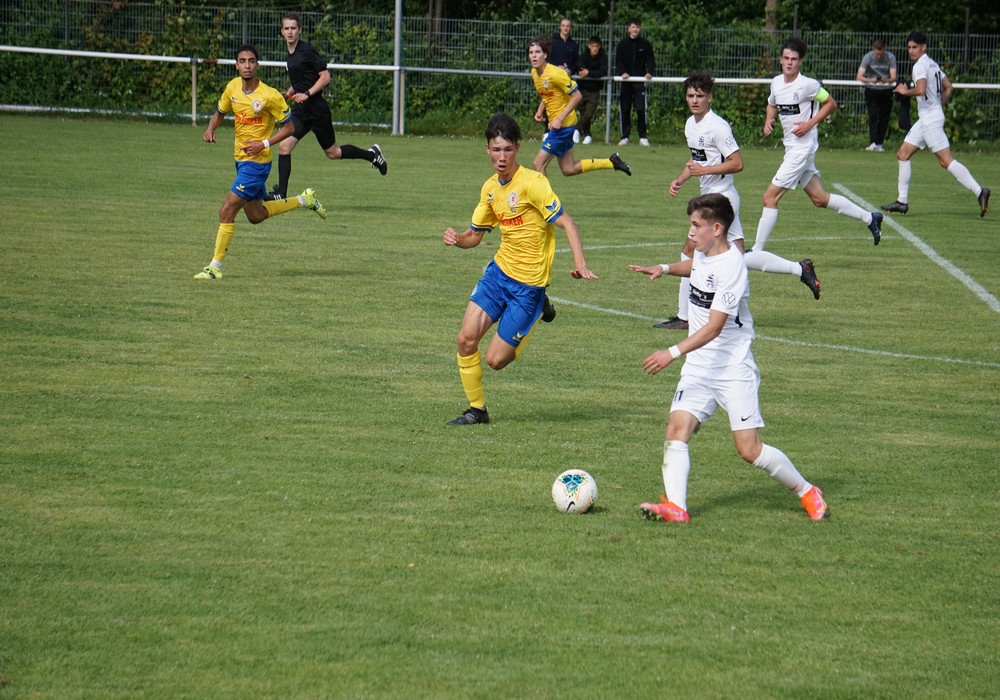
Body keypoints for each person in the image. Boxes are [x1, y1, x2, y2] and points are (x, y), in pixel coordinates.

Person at [634, 193, 829, 523]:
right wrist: (665, 269)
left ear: (717, 228)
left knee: (749, 450)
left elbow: (714, 328)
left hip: (731, 368)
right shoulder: (704, 254)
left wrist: (671, 352)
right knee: (676, 430)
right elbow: (696, 268)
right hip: (699, 366)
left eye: (696, 225)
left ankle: (807, 490)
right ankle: (677, 508)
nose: (690, 232)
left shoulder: (733, 267)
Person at [631, 71, 821, 331]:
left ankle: (685, 316)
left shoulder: (718, 126)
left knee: (692, 251)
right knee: (738, 258)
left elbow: (737, 163)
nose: (694, 100)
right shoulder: (690, 124)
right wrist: (681, 179)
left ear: (710, 97)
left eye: (699, 96)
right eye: (690, 96)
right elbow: (697, 158)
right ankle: (800, 269)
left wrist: (704, 171)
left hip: (720, 199)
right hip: (713, 197)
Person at [442, 113, 598, 425]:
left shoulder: (533, 184)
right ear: (487, 149)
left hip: (528, 287)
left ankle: (539, 309)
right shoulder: (490, 189)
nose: (502, 157)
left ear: (517, 148)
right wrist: (457, 239)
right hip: (498, 275)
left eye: (508, 149)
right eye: (496, 150)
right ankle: (477, 411)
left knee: (495, 360)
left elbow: (568, 223)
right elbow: (475, 236)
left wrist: (580, 264)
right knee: (465, 340)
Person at [194, 43, 327, 280]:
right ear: (236, 66)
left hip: (257, 164)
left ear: (257, 65)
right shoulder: (232, 88)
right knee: (256, 216)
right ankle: (304, 200)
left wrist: (263, 144)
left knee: (226, 210)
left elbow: (290, 127)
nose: (247, 65)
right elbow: (220, 112)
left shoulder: (269, 95)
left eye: (251, 61)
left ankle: (214, 267)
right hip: (240, 161)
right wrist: (210, 128)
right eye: (242, 61)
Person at [754, 37, 884, 252]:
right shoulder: (776, 83)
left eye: (794, 59)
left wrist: (809, 124)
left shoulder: (808, 85)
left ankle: (757, 252)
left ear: (800, 61)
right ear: (780, 59)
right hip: (792, 149)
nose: (789, 62)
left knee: (769, 197)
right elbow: (771, 104)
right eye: (786, 58)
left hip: (802, 150)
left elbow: (830, 103)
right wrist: (769, 119)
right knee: (819, 199)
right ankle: (871, 218)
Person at [265, 12, 386, 201]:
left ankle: (372, 155)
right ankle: (281, 192)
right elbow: (301, 80)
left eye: (293, 28)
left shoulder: (306, 50)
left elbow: (325, 77)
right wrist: (288, 93)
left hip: (317, 110)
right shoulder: (290, 54)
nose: (290, 32)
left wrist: (307, 94)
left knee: (333, 153)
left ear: (300, 30)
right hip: (301, 111)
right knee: (284, 146)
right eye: (286, 28)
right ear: (281, 31)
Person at [881, 31, 990, 218]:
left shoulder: (920, 66)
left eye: (915, 47)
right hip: (927, 118)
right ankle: (902, 201)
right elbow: (949, 87)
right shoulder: (932, 64)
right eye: (909, 47)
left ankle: (980, 191)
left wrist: (905, 92)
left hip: (929, 120)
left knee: (945, 160)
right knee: (903, 154)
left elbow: (921, 89)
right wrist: (938, 105)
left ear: (923, 47)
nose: (911, 51)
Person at [528, 35, 632, 179]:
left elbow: (577, 95)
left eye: (537, 52)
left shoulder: (556, 74)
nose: (534, 55)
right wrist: (540, 111)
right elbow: (547, 95)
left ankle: (546, 195)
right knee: (568, 169)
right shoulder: (535, 73)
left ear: (545, 55)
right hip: (560, 124)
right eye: (531, 52)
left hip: (563, 126)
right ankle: (612, 162)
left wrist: (559, 119)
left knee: (538, 164)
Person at [615, 18, 655, 146]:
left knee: (641, 109)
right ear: (629, 29)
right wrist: (622, 72)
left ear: (640, 29)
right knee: (625, 109)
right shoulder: (622, 44)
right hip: (626, 82)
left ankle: (642, 136)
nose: (635, 30)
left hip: (639, 82)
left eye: (637, 27)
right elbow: (618, 61)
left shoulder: (645, 44)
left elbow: (651, 61)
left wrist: (649, 72)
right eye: (633, 27)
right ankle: (625, 136)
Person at [856, 39, 898, 152]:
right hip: (871, 89)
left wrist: (886, 80)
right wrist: (872, 80)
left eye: (881, 54)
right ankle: (873, 142)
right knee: (873, 116)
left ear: (884, 50)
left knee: (884, 117)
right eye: (876, 54)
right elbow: (859, 76)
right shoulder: (868, 57)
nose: (878, 56)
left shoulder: (890, 57)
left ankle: (880, 143)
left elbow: (894, 77)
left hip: (886, 89)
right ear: (873, 51)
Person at [575, 35, 607, 146]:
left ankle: (577, 129)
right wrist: (591, 72)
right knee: (583, 112)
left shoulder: (603, 57)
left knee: (589, 113)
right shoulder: (583, 55)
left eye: (597, 46)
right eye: (593, 46)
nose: (595, 49)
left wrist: (589, 73)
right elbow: (580, 69)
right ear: (589, 46)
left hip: (594, 90)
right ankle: (587, 134)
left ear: (600, 47)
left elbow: (603, 71)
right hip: (581, 89)